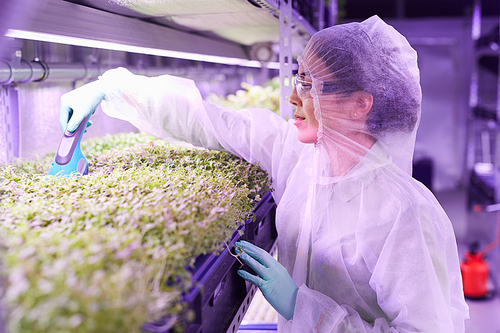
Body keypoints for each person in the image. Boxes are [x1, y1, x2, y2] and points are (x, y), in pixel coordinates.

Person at [60, 15, 469, 332]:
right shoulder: (299, 158)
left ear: (360, 104)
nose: (293, 97)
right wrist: (109, 89)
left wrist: (302, 306)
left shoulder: (404, 213)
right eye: (297, 79)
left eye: (310, 85)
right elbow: (211, 122)